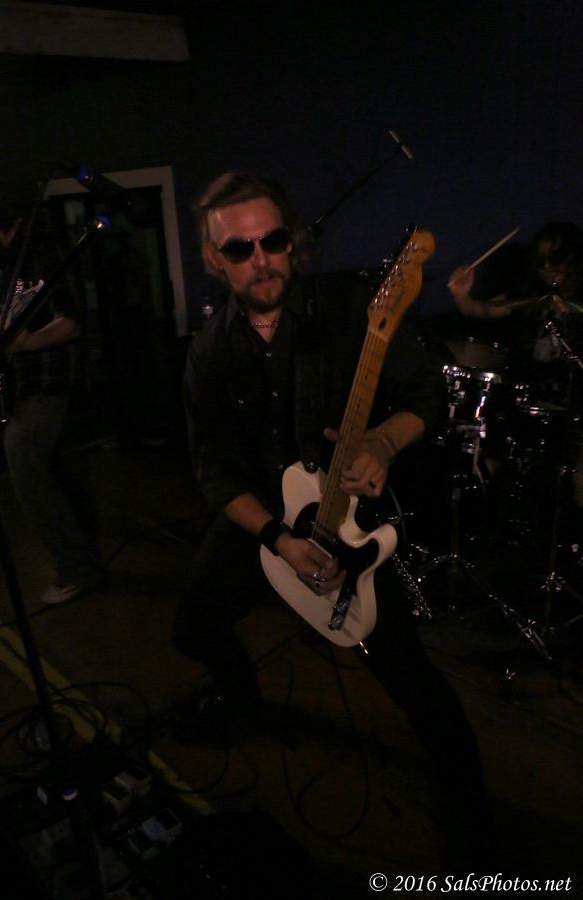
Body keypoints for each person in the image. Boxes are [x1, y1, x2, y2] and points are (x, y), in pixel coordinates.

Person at [171, 171, 495, 869]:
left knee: (409, 675)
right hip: (265, 518)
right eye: (240, 249)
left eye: (273, 240)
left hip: (345, 520)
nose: (262, 259)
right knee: (191, 626)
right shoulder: (208, 353)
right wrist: (278, 540)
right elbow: (214, 472)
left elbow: (428, 397)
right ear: (213, 259)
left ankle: (472, 809)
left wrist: (382, 443)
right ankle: (241, 695)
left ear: (292, 241)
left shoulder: (354, 308)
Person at [0, 183, 104, 604]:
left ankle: (77, 567)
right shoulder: (5, 268)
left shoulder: (44, 253)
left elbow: (71, 321)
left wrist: (27, 342)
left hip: (49, 381)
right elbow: (5, 319)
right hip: (22, 383)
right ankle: (83, 536)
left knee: (24, 461)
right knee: (47, 468)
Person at [448, 222, 583, 537]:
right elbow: (481, 310)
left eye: (555, 258)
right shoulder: (531, 295)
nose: (546, 267)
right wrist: (461, 295)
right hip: (530, 397)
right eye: (541, 260)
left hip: (573, 402)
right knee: (491, 441)